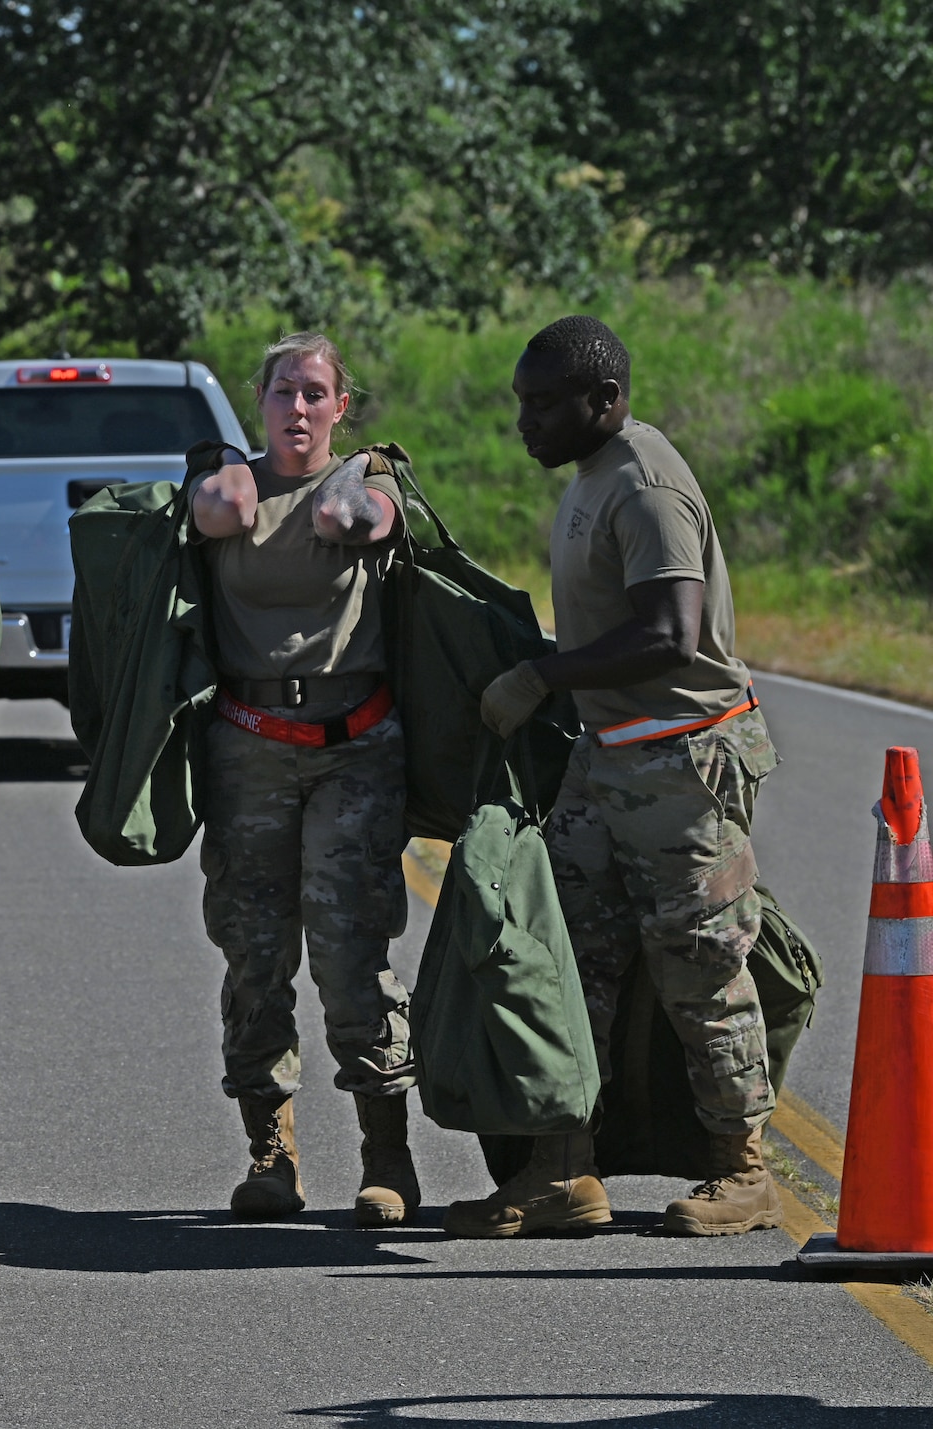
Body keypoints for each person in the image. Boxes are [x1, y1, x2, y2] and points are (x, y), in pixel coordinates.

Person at [453, 314, 781, 1239]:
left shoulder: (645, 484)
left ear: (605, 399)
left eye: (546, 404)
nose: (528, 422)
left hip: (682, 761)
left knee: (700, 968)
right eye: (524, 402)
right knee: (564, 965)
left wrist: (544, 674)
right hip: (610, 762)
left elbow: (670, 631)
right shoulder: (593, 475)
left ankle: (744, 1171)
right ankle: (563, 1169)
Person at [186, 331, 418, 1226]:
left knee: (352, 951)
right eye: (285, 391)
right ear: (262, 400)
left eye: (316, 394)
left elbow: (359, 522)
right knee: (254, 952)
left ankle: (386, 1152)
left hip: (353, 745)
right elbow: (211, 513)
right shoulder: (229, 481)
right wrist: (225, 477)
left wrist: (350, 488)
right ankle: (270, 1150)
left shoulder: (369, 477)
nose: (299, 409)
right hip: (250, 743)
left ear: (341, 406)